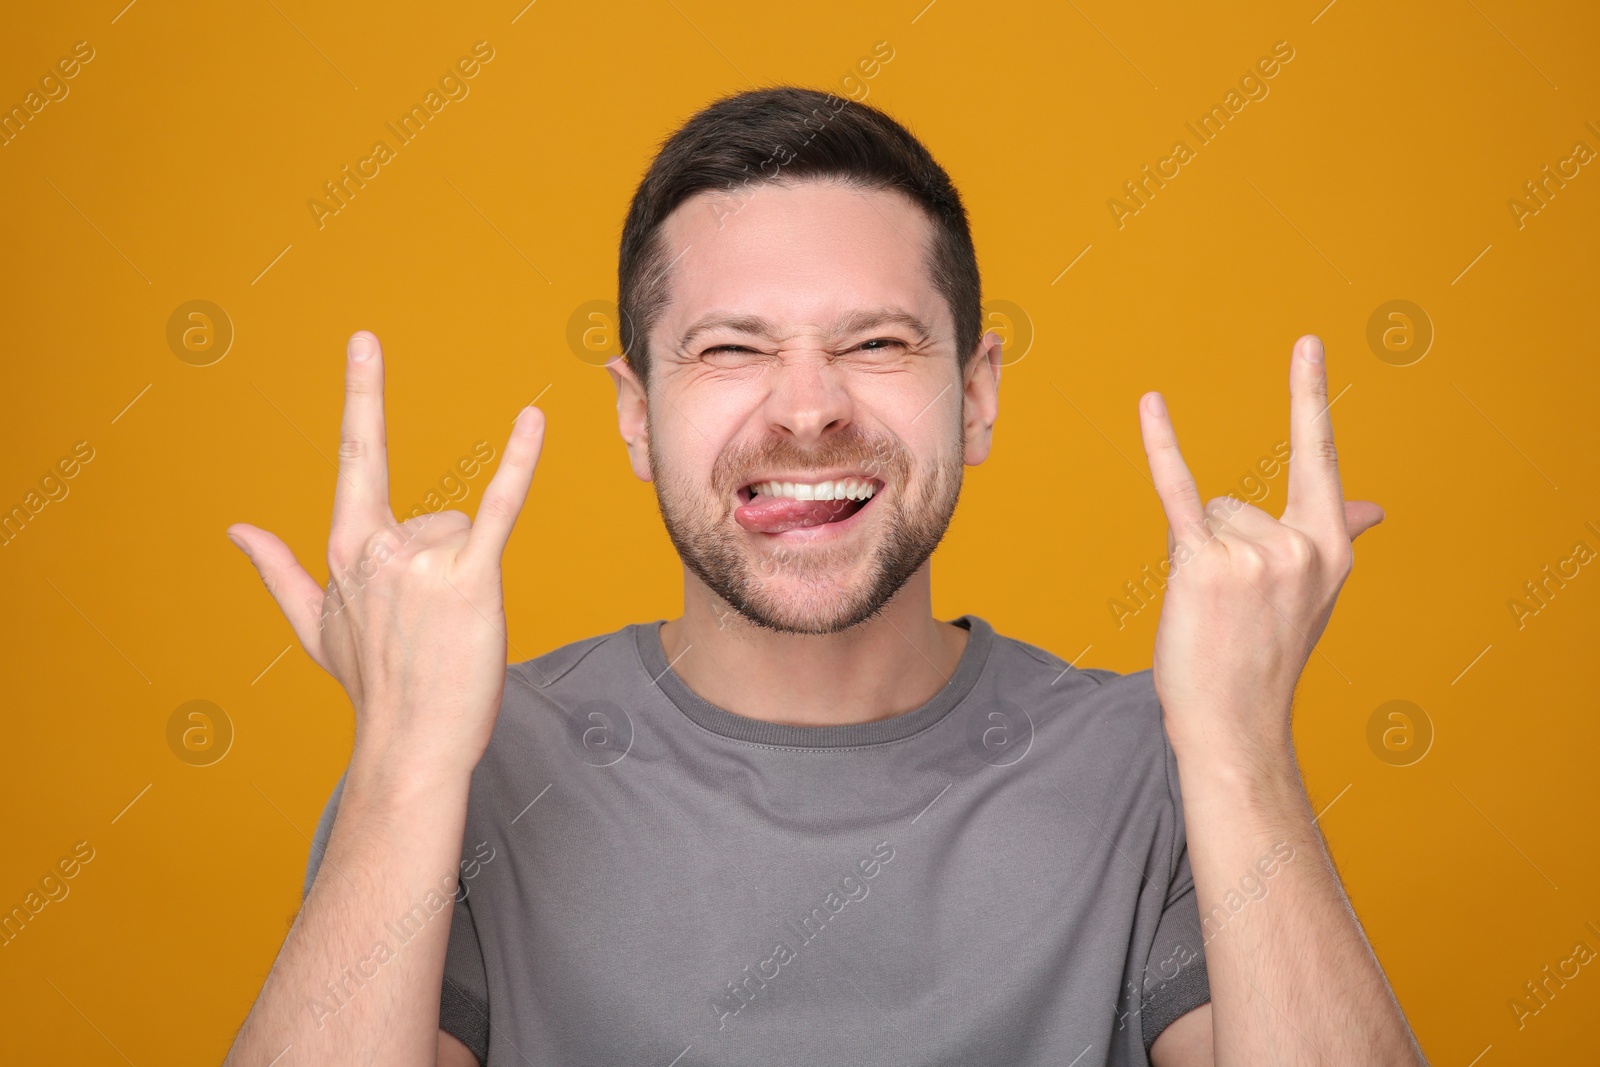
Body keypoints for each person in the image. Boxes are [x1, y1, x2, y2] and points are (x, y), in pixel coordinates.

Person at [221, 86, 1424, 1066]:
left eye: (877, 343)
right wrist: (402, 762)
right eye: (731, 348)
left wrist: (1241, 749)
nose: (807, 409)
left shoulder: (1161, 763)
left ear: (976, 392)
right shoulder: (465, 762)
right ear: (637, 414)